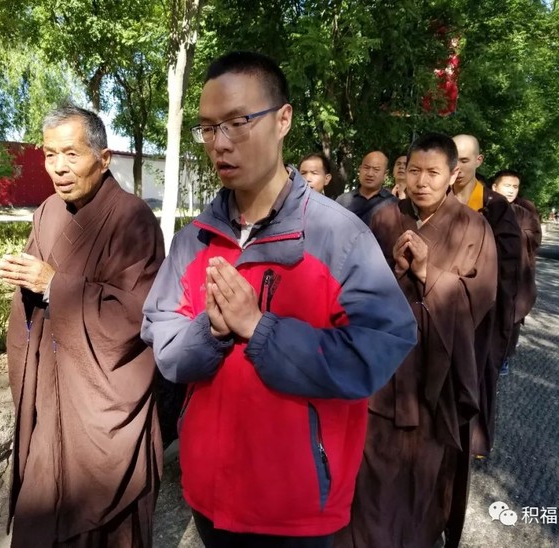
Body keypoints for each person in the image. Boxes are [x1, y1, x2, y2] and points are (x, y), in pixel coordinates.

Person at [141, 51, 417, 547]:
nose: (220, 143)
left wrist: (260, 329)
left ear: (283, 119)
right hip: (209, 496)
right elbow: (164, 343)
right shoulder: (193, 241)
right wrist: (212, 329)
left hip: (296, 507)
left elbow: (379, 346)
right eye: (208, 128)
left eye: (238, 122)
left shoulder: (338, 237)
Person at [0, 104, 164, 547]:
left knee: (106, 524)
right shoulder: (47, 212)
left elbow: (136, 314)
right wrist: (26, 280)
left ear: (103, 158)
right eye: (50, 155)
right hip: (51, 392)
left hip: (100, 400)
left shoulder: (133, 219)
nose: (59, 167)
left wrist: (55, 286)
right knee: (39, 510)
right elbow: (32, 294)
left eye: (71, 154)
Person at [336, 133, 497, 548]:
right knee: (370, 472)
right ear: (403, 173)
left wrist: (428, 274)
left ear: (453, 175)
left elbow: (479, 300)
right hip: (383, 372)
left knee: (422, 474)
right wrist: (392, 271)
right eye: (414, 171)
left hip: (435, 377)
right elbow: (354, 289)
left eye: (433, 173)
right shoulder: (385, 218)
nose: (422, 182)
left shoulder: (473, 227)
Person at [452, 134, 521, 461]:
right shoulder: (437, 197)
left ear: (479, 161)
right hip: (441, 302)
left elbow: (509, 264)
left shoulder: (494, 206)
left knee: (478, 371)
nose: (458, 167)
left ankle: (473, 443)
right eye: (453, 160)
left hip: (482, 308)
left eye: (465, 161)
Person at [491, 170, 542, 373]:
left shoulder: (524, 213)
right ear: (494, 187)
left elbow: (534, 239)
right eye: (507, 185)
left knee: (511, 317)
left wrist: (513, 237)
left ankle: (503, 357)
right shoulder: (483, 209)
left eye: (515, 187)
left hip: (515, 276)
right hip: (489, 274)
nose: (511, 190)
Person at [336, 150, 397, 225]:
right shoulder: (343, 201)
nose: (370, 174)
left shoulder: (394, 204)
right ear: (359, 169)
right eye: (366, 168)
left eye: (376, 170)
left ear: (385, 174)